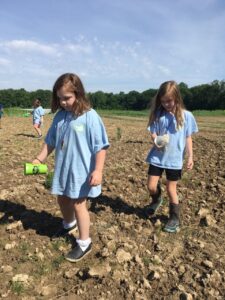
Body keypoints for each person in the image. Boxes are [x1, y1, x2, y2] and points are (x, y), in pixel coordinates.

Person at [32, 73, 109, 262]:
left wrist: (98, 170)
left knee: (78, 204)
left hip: (81, 172)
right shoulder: (60, 116)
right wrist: (39, 160)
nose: (63, 102)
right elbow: (50, 141)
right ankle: (68, 224)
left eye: (67, 98)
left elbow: (100, 147)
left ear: (78, 94)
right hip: (63, 169)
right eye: (60, 98)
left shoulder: (90, 117)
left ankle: (84, 242)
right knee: (62, 199)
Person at [145, 80, 198, 233]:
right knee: (151, 186)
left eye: (169, 101)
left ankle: (174, 218)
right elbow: (153, 132)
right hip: (157, 157)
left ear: (177, 98)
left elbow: (188, 137)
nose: (166, 104)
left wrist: (190, 157)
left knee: (171, 188)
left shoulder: (186, 116)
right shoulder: (157, 114)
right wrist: (155, 140)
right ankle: (156, 200)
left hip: (174, 160)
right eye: (163, 101)